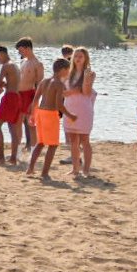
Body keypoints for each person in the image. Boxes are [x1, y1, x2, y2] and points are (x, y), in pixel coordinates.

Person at [26, 57, 70, 180]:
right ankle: (44, 172)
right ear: (62, 70)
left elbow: (35, 99)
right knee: (53, 145)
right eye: (68, 70)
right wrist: (70, 115)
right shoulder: (59, 84)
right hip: (51, 114)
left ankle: (30, 168)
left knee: (40, 142)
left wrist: (33, 115)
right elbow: (59, 105)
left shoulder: (44, 81)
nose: (68, 73)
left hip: (40, 112)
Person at [61, 47, 94, 178]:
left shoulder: (90, 73)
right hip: (69, 107)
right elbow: (62, 91)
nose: (78, 58)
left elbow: (86, 92)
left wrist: (75, 89)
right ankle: (75, 169)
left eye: (81, 56)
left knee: (85, 140)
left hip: (84, 109)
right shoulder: (68, 73)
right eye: (76, 56)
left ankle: (86, 169)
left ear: (85, 58)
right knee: (73, 140)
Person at [0, 46, 21, 163]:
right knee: (12, 128)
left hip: (9, 97)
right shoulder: (15, 65)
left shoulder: (6, 65)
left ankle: (0, 156)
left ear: (2, 54)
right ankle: (13, 157)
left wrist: (2, 84)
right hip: (16, 97)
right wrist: (6, 85)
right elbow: (14, 82)